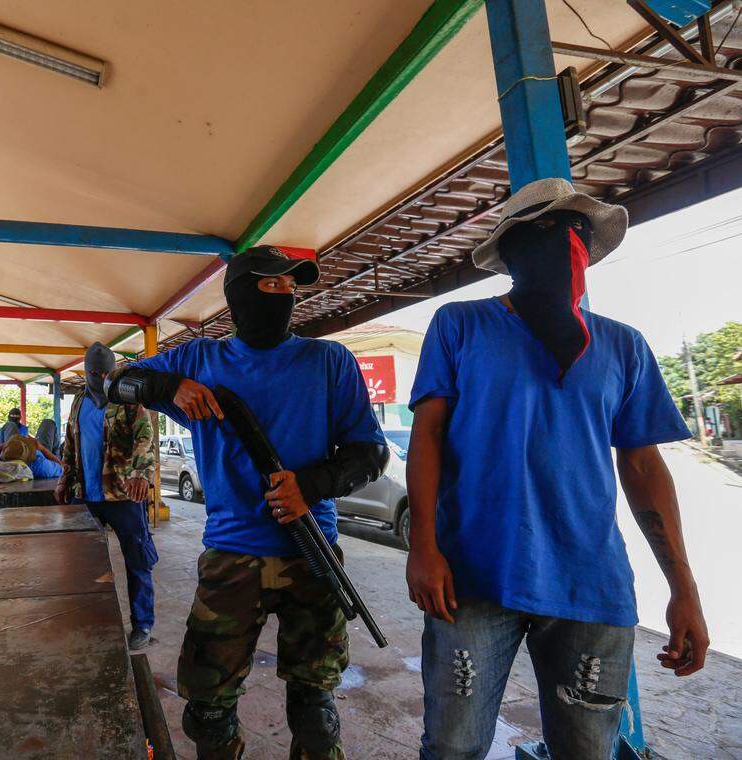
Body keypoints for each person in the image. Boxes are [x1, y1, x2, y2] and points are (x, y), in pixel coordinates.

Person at [405, 178, 709, 760]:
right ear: (516, 247)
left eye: (578, 232)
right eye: (549, 230)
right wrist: (423, 545)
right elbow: (428, 437)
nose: (567, 244)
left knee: (588, 750)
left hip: (590, 585)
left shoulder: (624, 347)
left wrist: (684, 589)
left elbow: (644, 466)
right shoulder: (460, 325)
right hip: (471, 577)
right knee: (452, 745)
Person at [106, 246, 388, 760]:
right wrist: (172, 385)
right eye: (271, 284)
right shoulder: (199, 358)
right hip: (231, 554)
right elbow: (115, 383)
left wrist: (312, 484)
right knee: (207, 713)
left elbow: (370, 453)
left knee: (316, 713)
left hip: (313, 552)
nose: (284, 294)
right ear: (238, 293)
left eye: (290, 287)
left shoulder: (328, 360)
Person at [55, 342, 158, 651]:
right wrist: (64, 478)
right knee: (83, 564)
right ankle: (90, 620)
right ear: (85, 372)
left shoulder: (126, 396)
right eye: (92, 372)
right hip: (86, 494)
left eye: (103, 372)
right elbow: (71, 443)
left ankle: (142, 624)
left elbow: (145, 435)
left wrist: (142, 474)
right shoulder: (78, 401)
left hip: (123, 494)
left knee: (137, 559)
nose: (98, 377)